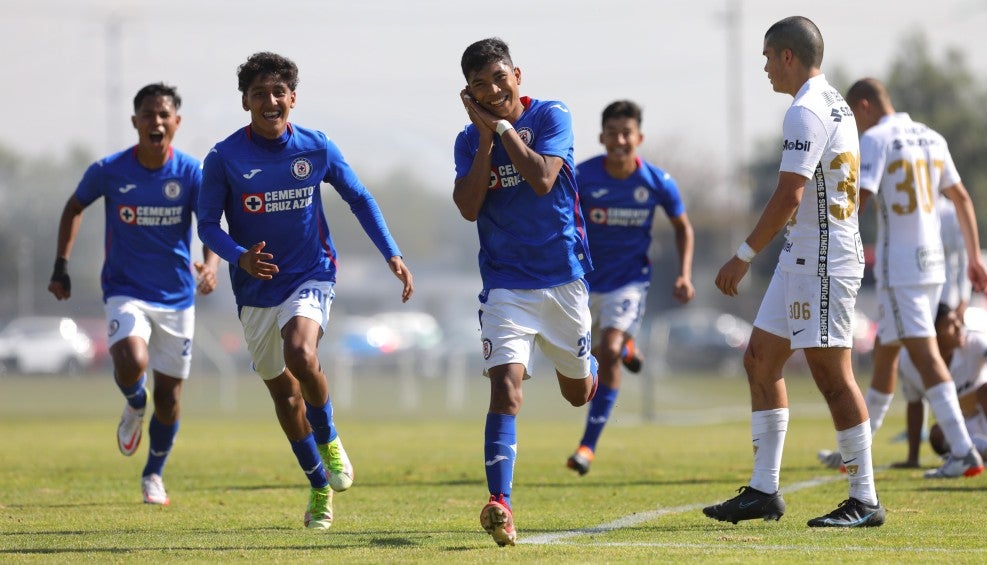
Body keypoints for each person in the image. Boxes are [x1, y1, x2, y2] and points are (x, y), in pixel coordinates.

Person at [196, 52, 414, 530]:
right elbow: (208, 225)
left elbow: (359, 196)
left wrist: (391, 252)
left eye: (278, 92)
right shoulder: (224, 158)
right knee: (284, 396)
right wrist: (240, 257)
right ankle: (318, 484)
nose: (270, 101)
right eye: (259, 94)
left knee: (301, 351)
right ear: (245, 102)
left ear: (292, 98)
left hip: (311, 275)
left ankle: (330, 438)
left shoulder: (317, 148)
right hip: (254, 290)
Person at [703, 16, 885, 528]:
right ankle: (764, 489)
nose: (763, 67)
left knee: (832, 375)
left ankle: (865, 499)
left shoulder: (806, 109)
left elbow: (790, 194)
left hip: (823, 261)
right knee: (760, 359)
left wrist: (742, 254)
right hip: (803, 257)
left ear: (788, 56)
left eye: (767, 57)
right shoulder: (835, 102)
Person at [453, 37, 598, 546]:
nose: (492, 90)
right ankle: (501, 504)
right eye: (479, 84)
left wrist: (503, 129)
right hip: (505, 287)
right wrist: (486, 140)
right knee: (505, 389)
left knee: (578, 394)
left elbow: (541, 178)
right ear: (467, 92)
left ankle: (591, 366)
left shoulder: (554, 115)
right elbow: (469, 208)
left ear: (518, 75)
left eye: (499, 78)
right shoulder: (467, 142)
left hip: (563, 279)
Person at [48, 82, 220, 506]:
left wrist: (211, 266)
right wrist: (61, 265)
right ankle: (133, 403)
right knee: (130, 361)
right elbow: (74, 207)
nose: (156, 122)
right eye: (148, 115)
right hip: (125, 289)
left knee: (171, 397)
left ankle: (153, 474)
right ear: (135, 122)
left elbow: (210, 224)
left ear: (176, 123)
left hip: (177, 296)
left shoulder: (191, 173)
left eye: (164, 115)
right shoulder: (109, 170)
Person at [816, 77, 987, 479]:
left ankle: (964, 450)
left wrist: (825, 237)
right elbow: (962, 198)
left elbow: (860, 198)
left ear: (863, 106)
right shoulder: (932, 137)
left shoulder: (876, 139)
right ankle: (856, 451)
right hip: (932, 266)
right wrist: (975, 257)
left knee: (926, 356)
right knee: (886, 353)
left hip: (901, 267)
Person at [565, 100, 695, 476]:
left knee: (608, 350)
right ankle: (628, 344)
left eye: (627, 133)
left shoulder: (656, 181)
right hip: (583, 284)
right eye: (613, 133)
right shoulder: (583, 176)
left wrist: (684, 274)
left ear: (639, 137)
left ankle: (587, 446)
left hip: (629, 283)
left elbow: (683, 227)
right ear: (601, 137)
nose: (620, 140)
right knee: (581, 362)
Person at [895, 303, 987, 466]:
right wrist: (912, 458)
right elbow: (915, 404)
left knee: (986, 390)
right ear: (932, 334)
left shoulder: (974, 341)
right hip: (965, 428)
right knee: (937, 434)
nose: (959, 328)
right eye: (950, 325)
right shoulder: (909, 361)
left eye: (958, 321)